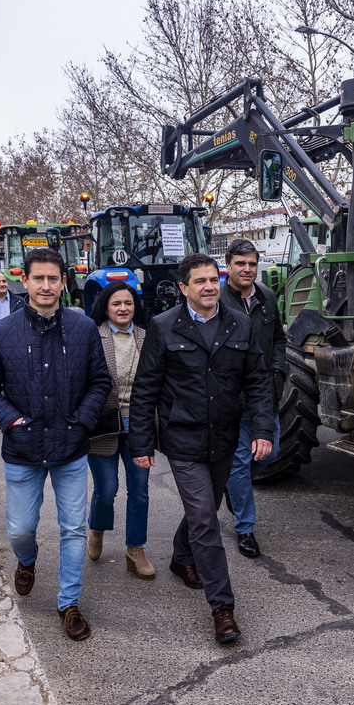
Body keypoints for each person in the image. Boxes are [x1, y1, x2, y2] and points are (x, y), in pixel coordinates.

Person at [129, 253, 273, 644]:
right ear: (183, 288)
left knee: (203, 508)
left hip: (225, 437)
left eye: (214, 279)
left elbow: (258, 381)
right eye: (200, 281)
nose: (209, 286)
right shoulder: (162, 327)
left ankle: (180, 557)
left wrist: (262, 428)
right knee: (206, 520)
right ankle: (222, 608)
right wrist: (140, 441)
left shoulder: (239, 323)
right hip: (184, 439)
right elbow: (145, 389)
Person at [0, 248, 111, 641]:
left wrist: (81, 420)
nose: (47, 286)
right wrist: (12, 421)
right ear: (26, 282)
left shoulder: (83, 328)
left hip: (70, 446)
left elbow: (100, 381)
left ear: (63, 282)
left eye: (54, 278)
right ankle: (26, 560)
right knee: (20, 528)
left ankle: (69, 602)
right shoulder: (3, 332)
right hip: (23, 447)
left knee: (72, 528)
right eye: (39, 278)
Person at [218, 240, 286, 558]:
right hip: (232, 399)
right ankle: (245, 529)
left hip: (264, 394)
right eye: (240, 263)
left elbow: (279, 338)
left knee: (271, 454)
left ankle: (236, 488)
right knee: (239, 465)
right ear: (228, 265)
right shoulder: (216, 299)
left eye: (252, 263)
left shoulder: (266, 297)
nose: (247, 269)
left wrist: (278, 371)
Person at [86, 281, 154, 580]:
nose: (123, 308)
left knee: (139, 490)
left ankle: (135, 550)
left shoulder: (147, 337)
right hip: (102, 426)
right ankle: (97, 529)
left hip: (139, 425)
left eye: (128, 303)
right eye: (116, 303)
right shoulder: (93, 336)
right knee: (107, 490)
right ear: (106, 307)